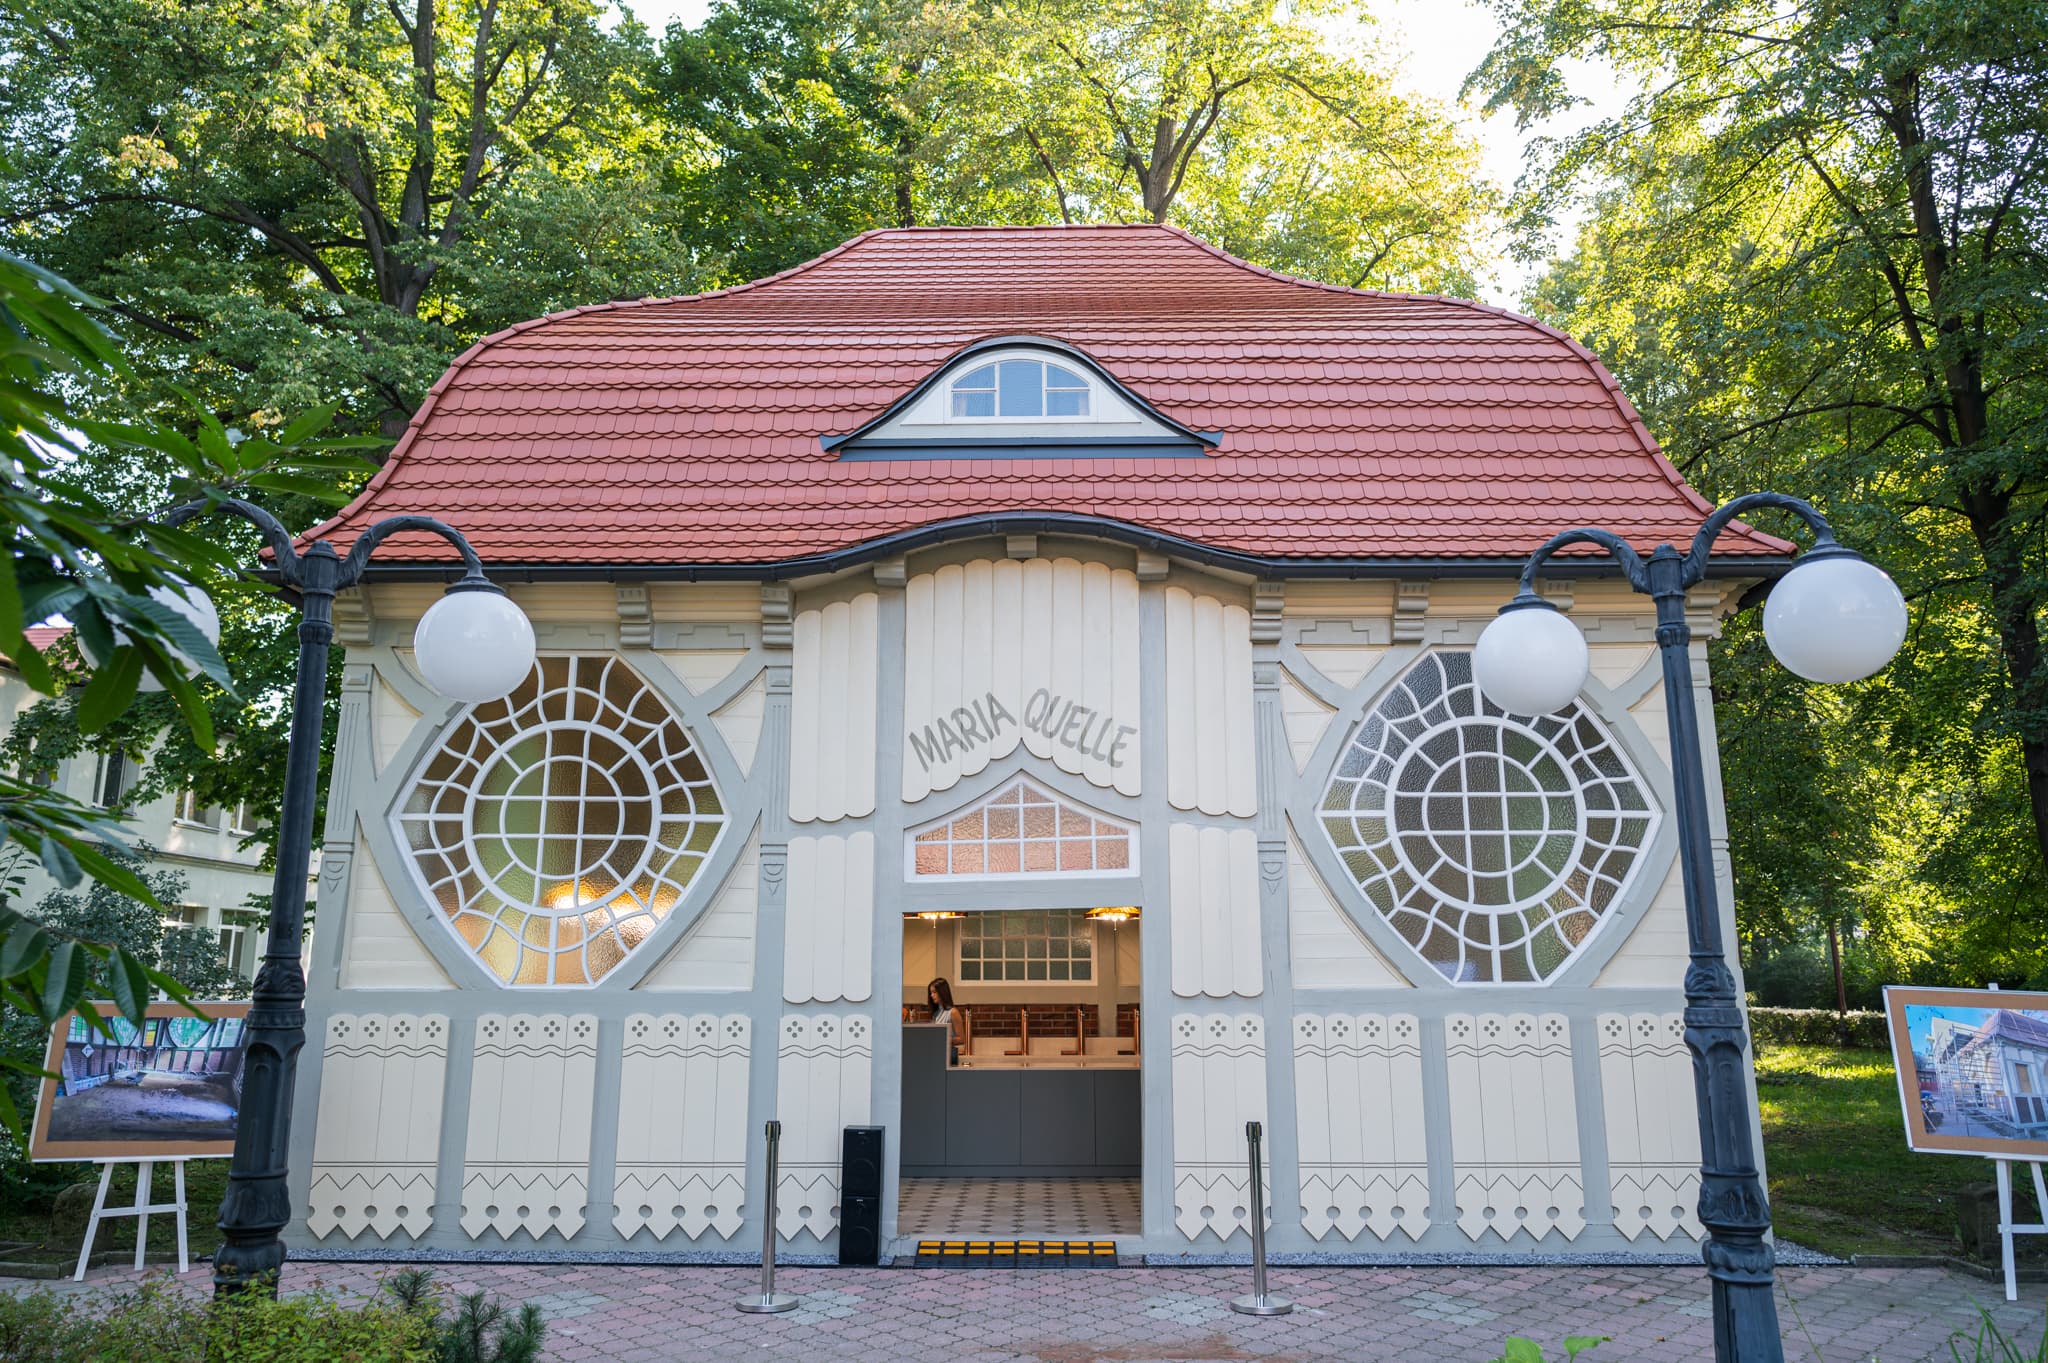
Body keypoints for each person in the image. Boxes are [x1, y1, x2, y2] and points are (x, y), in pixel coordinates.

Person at [928, 977, 965, 1065]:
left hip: (948, 1056)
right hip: (937, 1055)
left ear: (942, 992)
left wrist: (943, 1039)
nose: (931, 995)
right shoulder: (936, 1014)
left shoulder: (953, 1012)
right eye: (931, 993)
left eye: (934, 992)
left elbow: (961, 1039)